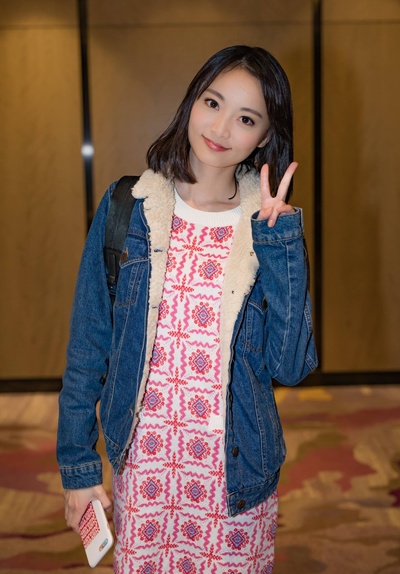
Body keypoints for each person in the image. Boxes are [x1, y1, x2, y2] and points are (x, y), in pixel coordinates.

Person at [57, 44, 318, 573]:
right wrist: (79, 467)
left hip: (235, 479)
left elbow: (290, 367)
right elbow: (88, 348)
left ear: (264, 136)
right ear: (192, 100)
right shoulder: (128, 207)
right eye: (212, 103)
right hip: (146, 472)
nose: (220, 128)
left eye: (246, 118)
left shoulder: (268, 228)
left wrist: (281, 243)